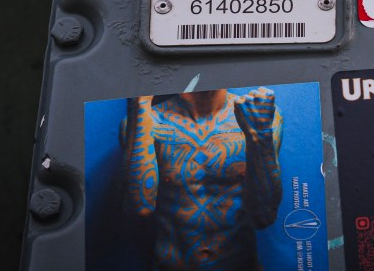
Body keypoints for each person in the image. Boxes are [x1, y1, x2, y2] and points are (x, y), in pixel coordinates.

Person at [121, 87, 283, 270]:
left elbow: (264, 217)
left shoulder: (258, 114)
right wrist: (140, 104)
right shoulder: (149, 120)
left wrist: (259, 136)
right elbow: (140, 208)